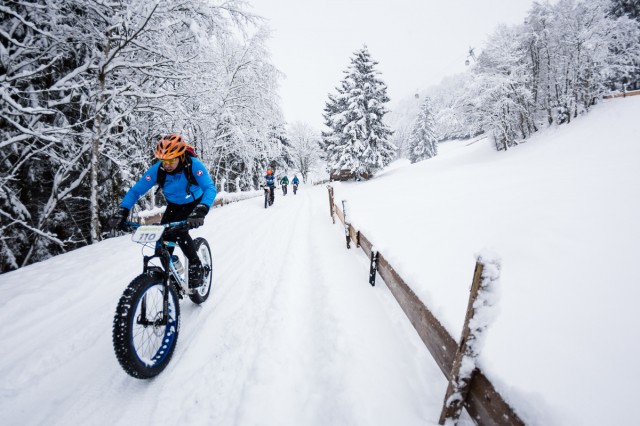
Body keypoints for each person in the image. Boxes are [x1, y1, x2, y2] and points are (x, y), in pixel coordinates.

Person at [109, 134, 217, 289]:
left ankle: (196, 265)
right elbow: (135, 191)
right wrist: (122, 210)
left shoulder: (193, 165)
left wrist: (202, 209)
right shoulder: (158, 170)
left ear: (180, 156)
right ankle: (174, 273)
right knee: (161, 246)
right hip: (173, 205)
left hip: (194, 204)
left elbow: (210, 188)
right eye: (164, 160)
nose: (167, 165)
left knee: (179, 232)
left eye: (171, 160)